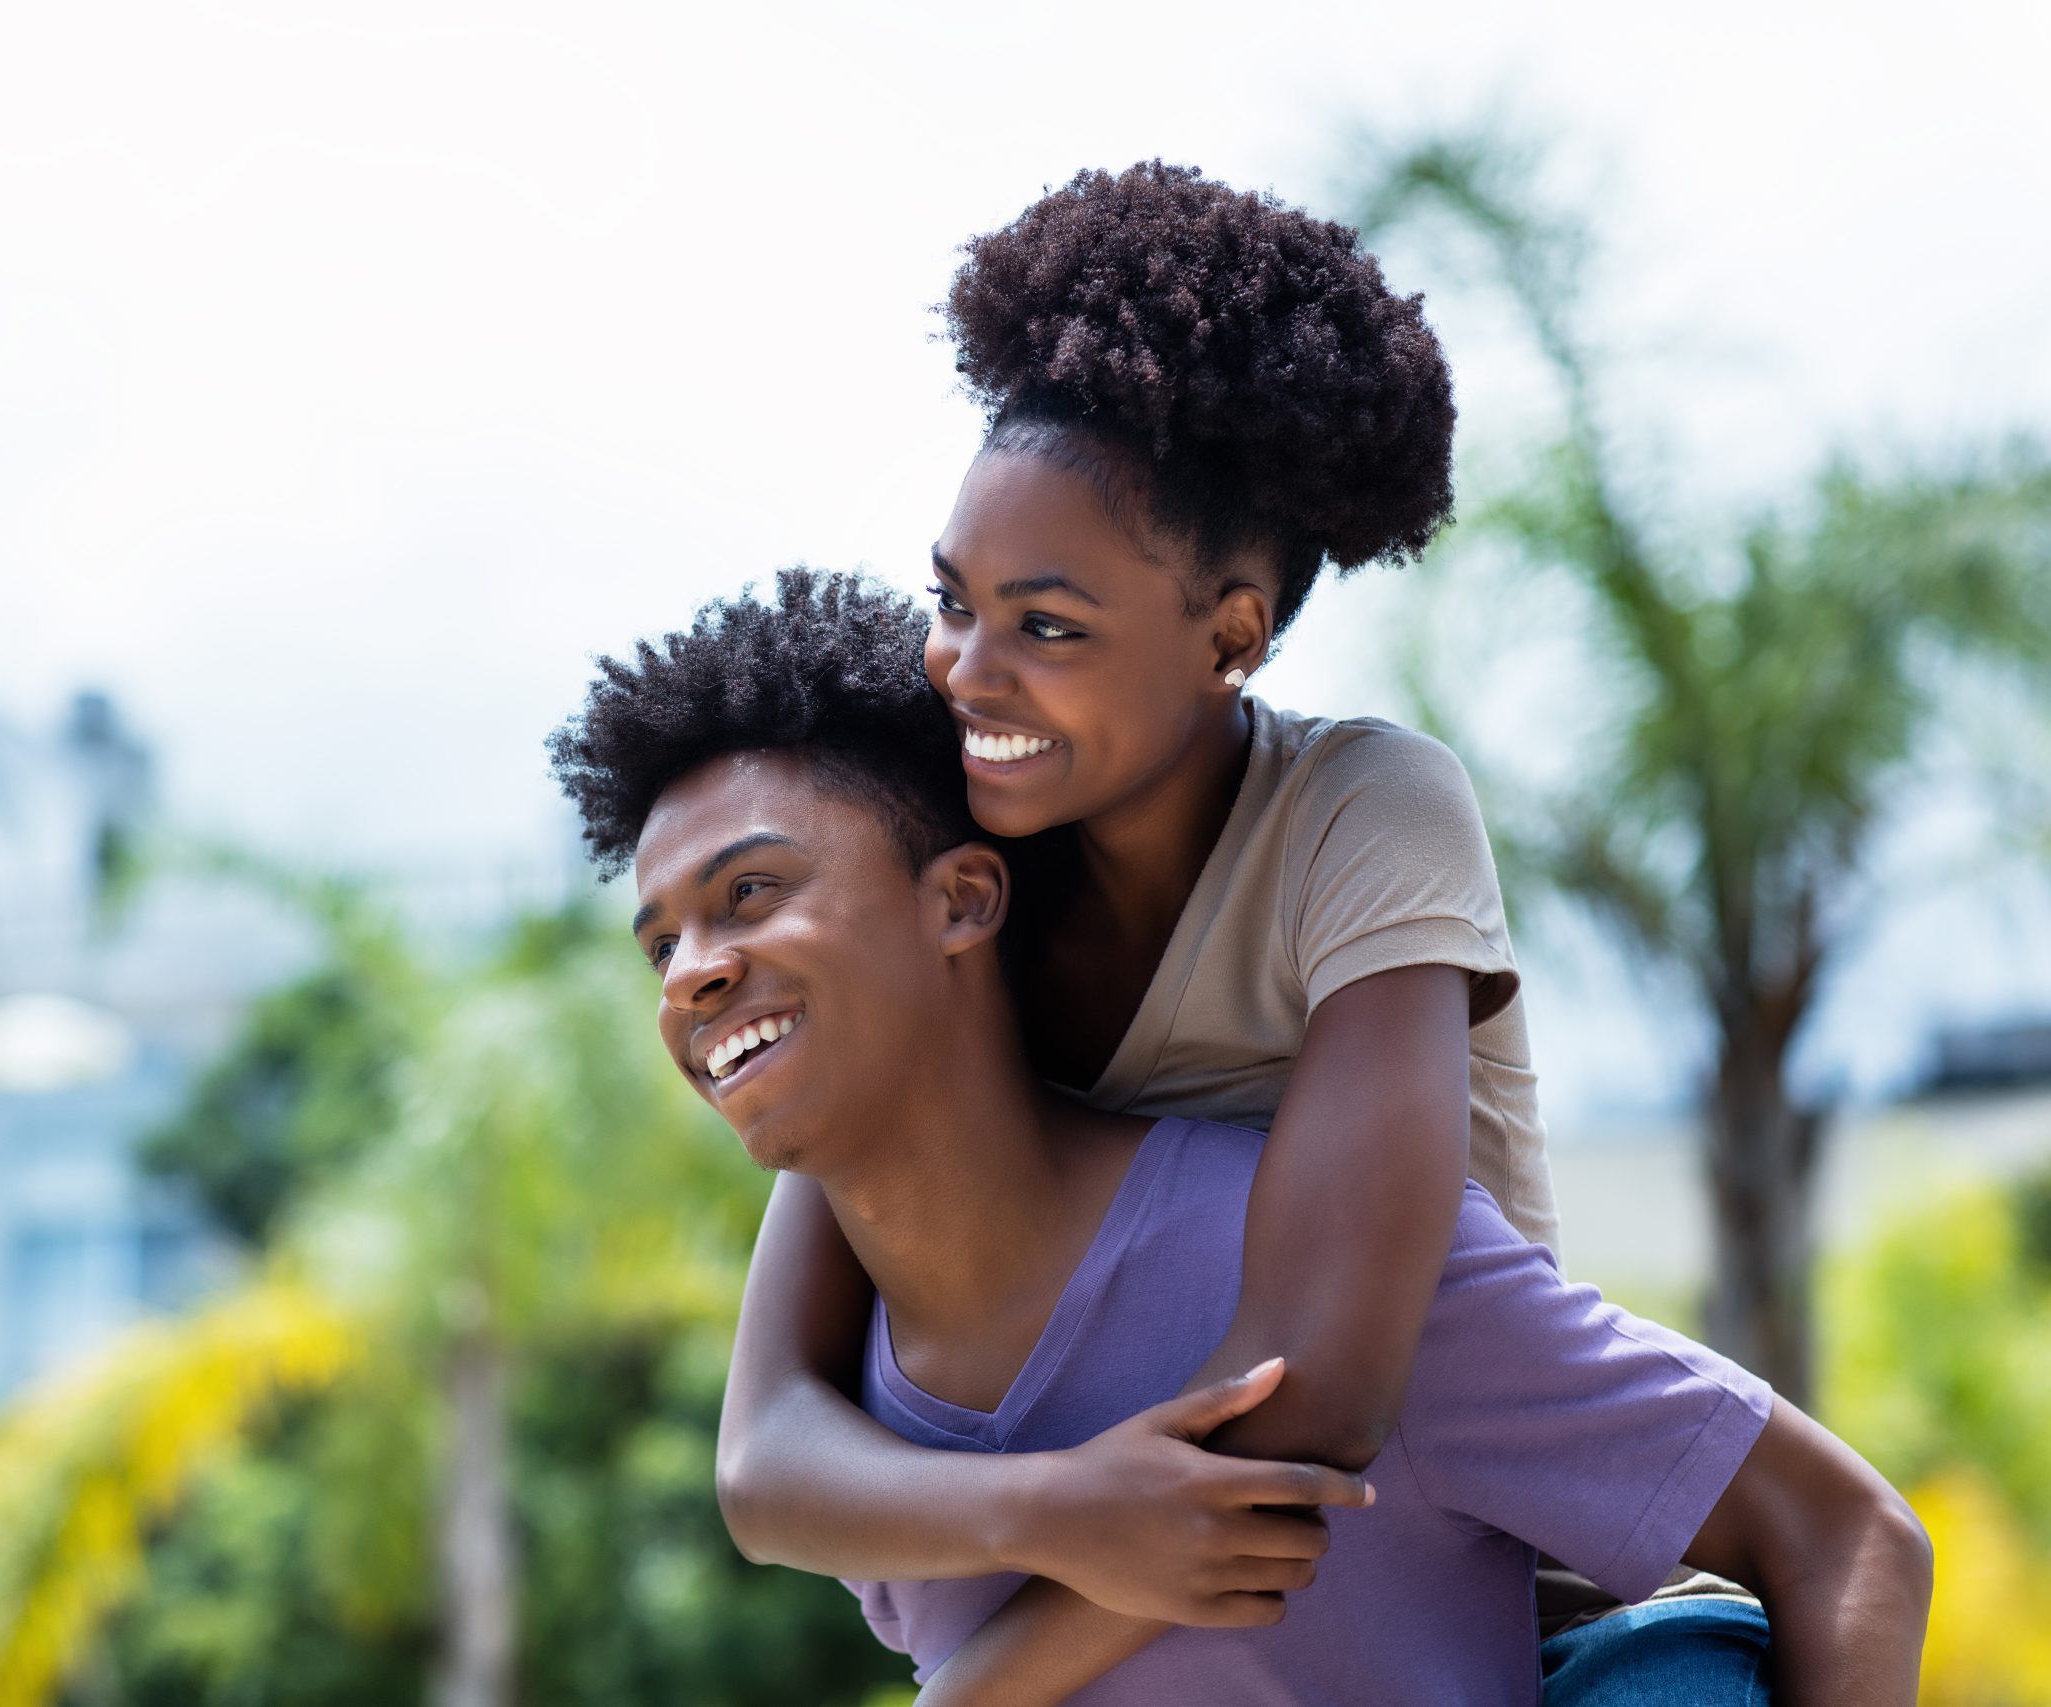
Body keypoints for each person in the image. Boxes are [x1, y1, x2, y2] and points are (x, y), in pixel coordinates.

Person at [706, 162, 1735, 1699]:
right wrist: (1049, 1506)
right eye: (953, 601)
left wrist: (973, 1692)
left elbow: (1309, 1397)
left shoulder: (1362, 816)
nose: (967, 672)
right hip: (1176, 1621)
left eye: (1046, 626)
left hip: (1477, 1610)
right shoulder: (975, 870)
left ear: (1232, 635)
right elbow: (769, 1454)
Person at [545, 571, 1932, 1705]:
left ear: (965, 901)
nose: (689, 973)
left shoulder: (1335, 1264)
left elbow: (1852, 1540)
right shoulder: (850, 1397)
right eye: (662, 941)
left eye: (753, 892)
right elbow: (760, 1475)